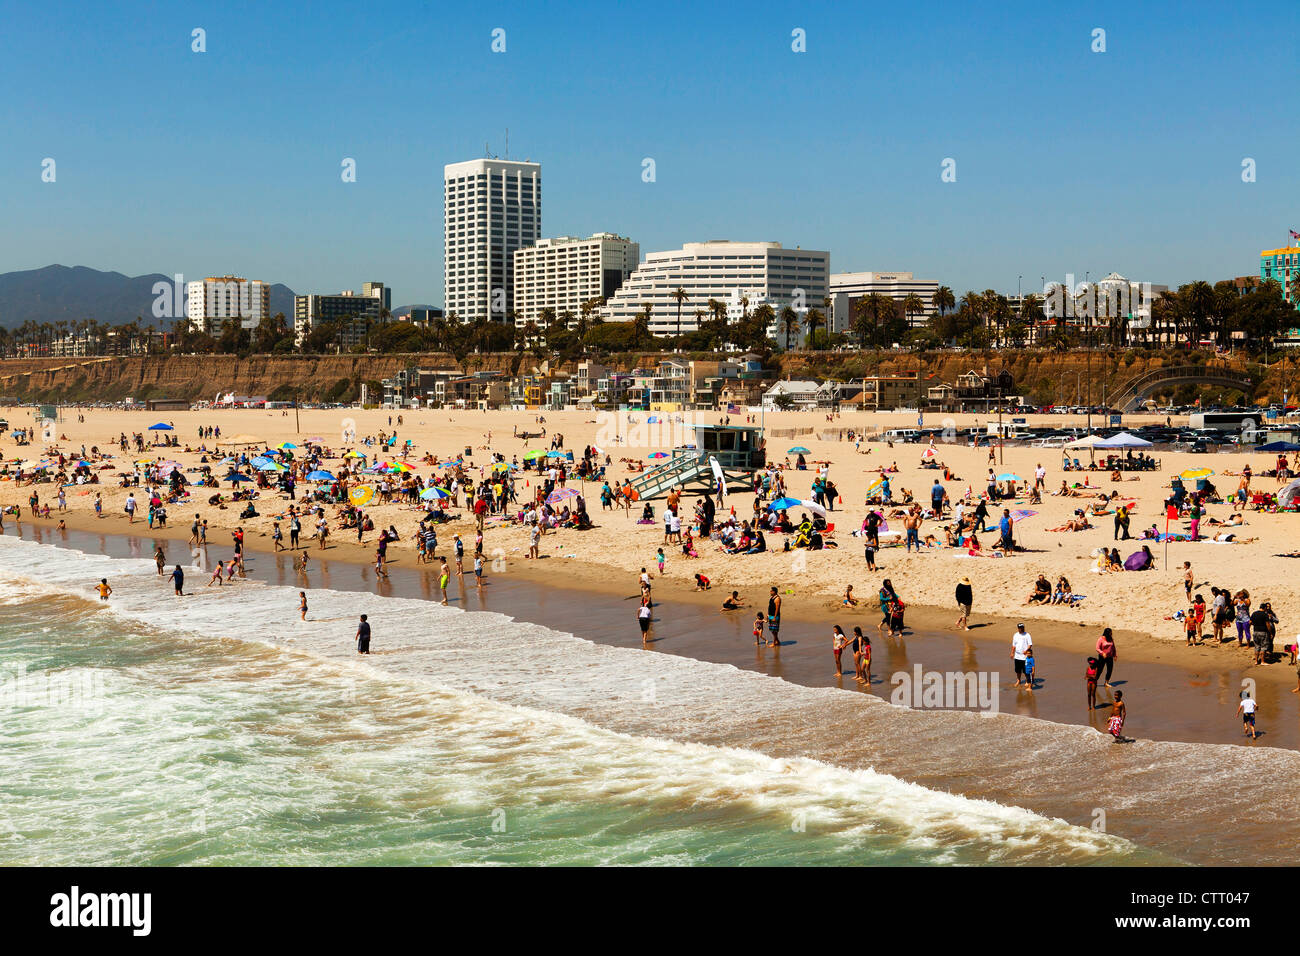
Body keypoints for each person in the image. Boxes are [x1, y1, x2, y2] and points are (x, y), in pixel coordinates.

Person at [1010, 623, 1033, 690]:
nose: (1021, 628)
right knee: (1018, 670)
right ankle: (1018, 680)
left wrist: (1026, 651)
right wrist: (1012, 653)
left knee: (1026, 670)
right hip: (1017, 656)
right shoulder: (1015, 635)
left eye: (1022, 627)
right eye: (1020, 628)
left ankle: (1027, 681)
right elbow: (1014, 645)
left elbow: (1030, 644)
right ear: (1018, 628)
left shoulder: (1027, 635)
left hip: (1024, 657)